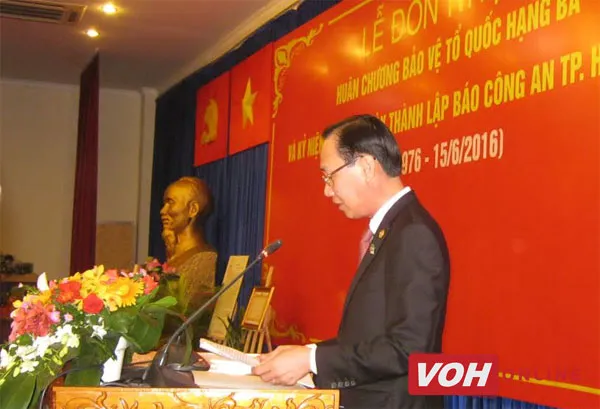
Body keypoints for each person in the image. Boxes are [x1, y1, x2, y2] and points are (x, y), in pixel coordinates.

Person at [253, 114, 450, 409]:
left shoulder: (413, 233)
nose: (327, 190)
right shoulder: (392, 229)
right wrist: (307, 354)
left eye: (329, 176)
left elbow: (408, 349)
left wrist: (312, 359)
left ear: (367, 166)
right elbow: (370, 337)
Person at [160, 176, 217, 315]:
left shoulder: (204, 258)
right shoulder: (174, 257)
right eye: (164, 204)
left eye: (170, 203)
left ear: (193, 209)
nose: (163, 211)